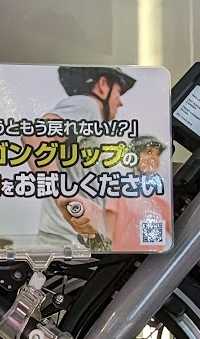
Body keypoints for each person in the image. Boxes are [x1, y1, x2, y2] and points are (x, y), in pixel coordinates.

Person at [28, 66, 138, 253]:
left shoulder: (90, 124)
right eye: (119, 93)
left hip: (72, 243)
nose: (120, 103)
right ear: (103, 84)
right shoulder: (87, 105)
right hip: (64, 242)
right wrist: (61, 194)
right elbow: (37, 134)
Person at [102, 135, 170, 252]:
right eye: (149, 152)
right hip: (121, 258)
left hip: (153, 260)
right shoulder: (117, 192)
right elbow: (107, 236)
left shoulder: (160, 203)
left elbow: (175, 236)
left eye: (157, 154)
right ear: (134, 156)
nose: (154, 158)